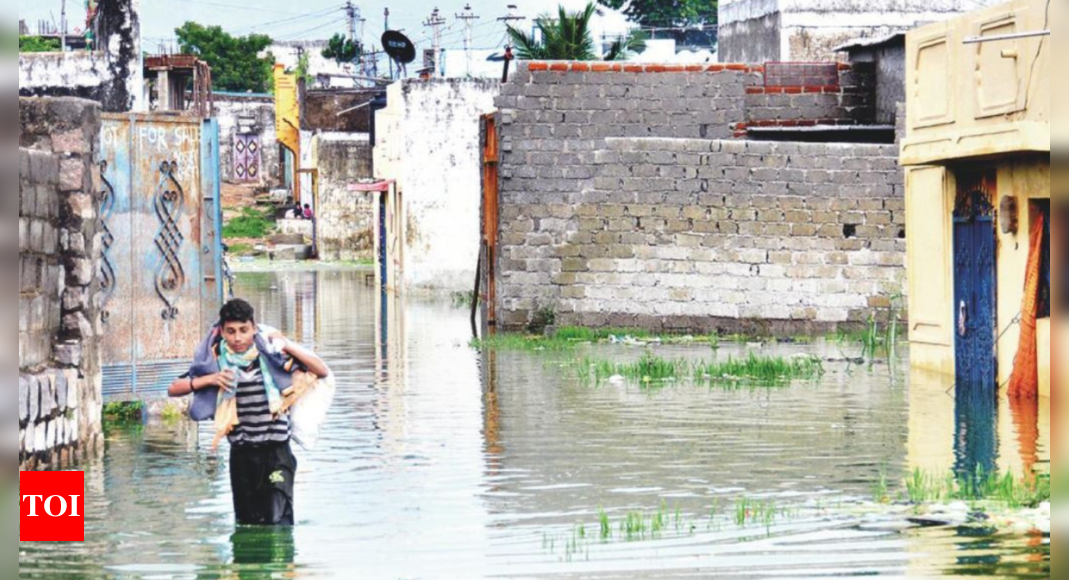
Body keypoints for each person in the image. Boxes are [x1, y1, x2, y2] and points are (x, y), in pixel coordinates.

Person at [168, 299, 330, 526]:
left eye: (244, 330)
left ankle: (281, 561)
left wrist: (287, 345)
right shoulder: (217, 362)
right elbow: (173, 388)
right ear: (222, 332)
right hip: (242, 455)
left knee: (277, 520)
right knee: (247, 522)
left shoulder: (272, 357)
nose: (238, 338)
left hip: (276, 452)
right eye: (231, 331)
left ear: (254, 328)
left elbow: (321, 371)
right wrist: (210, 379)